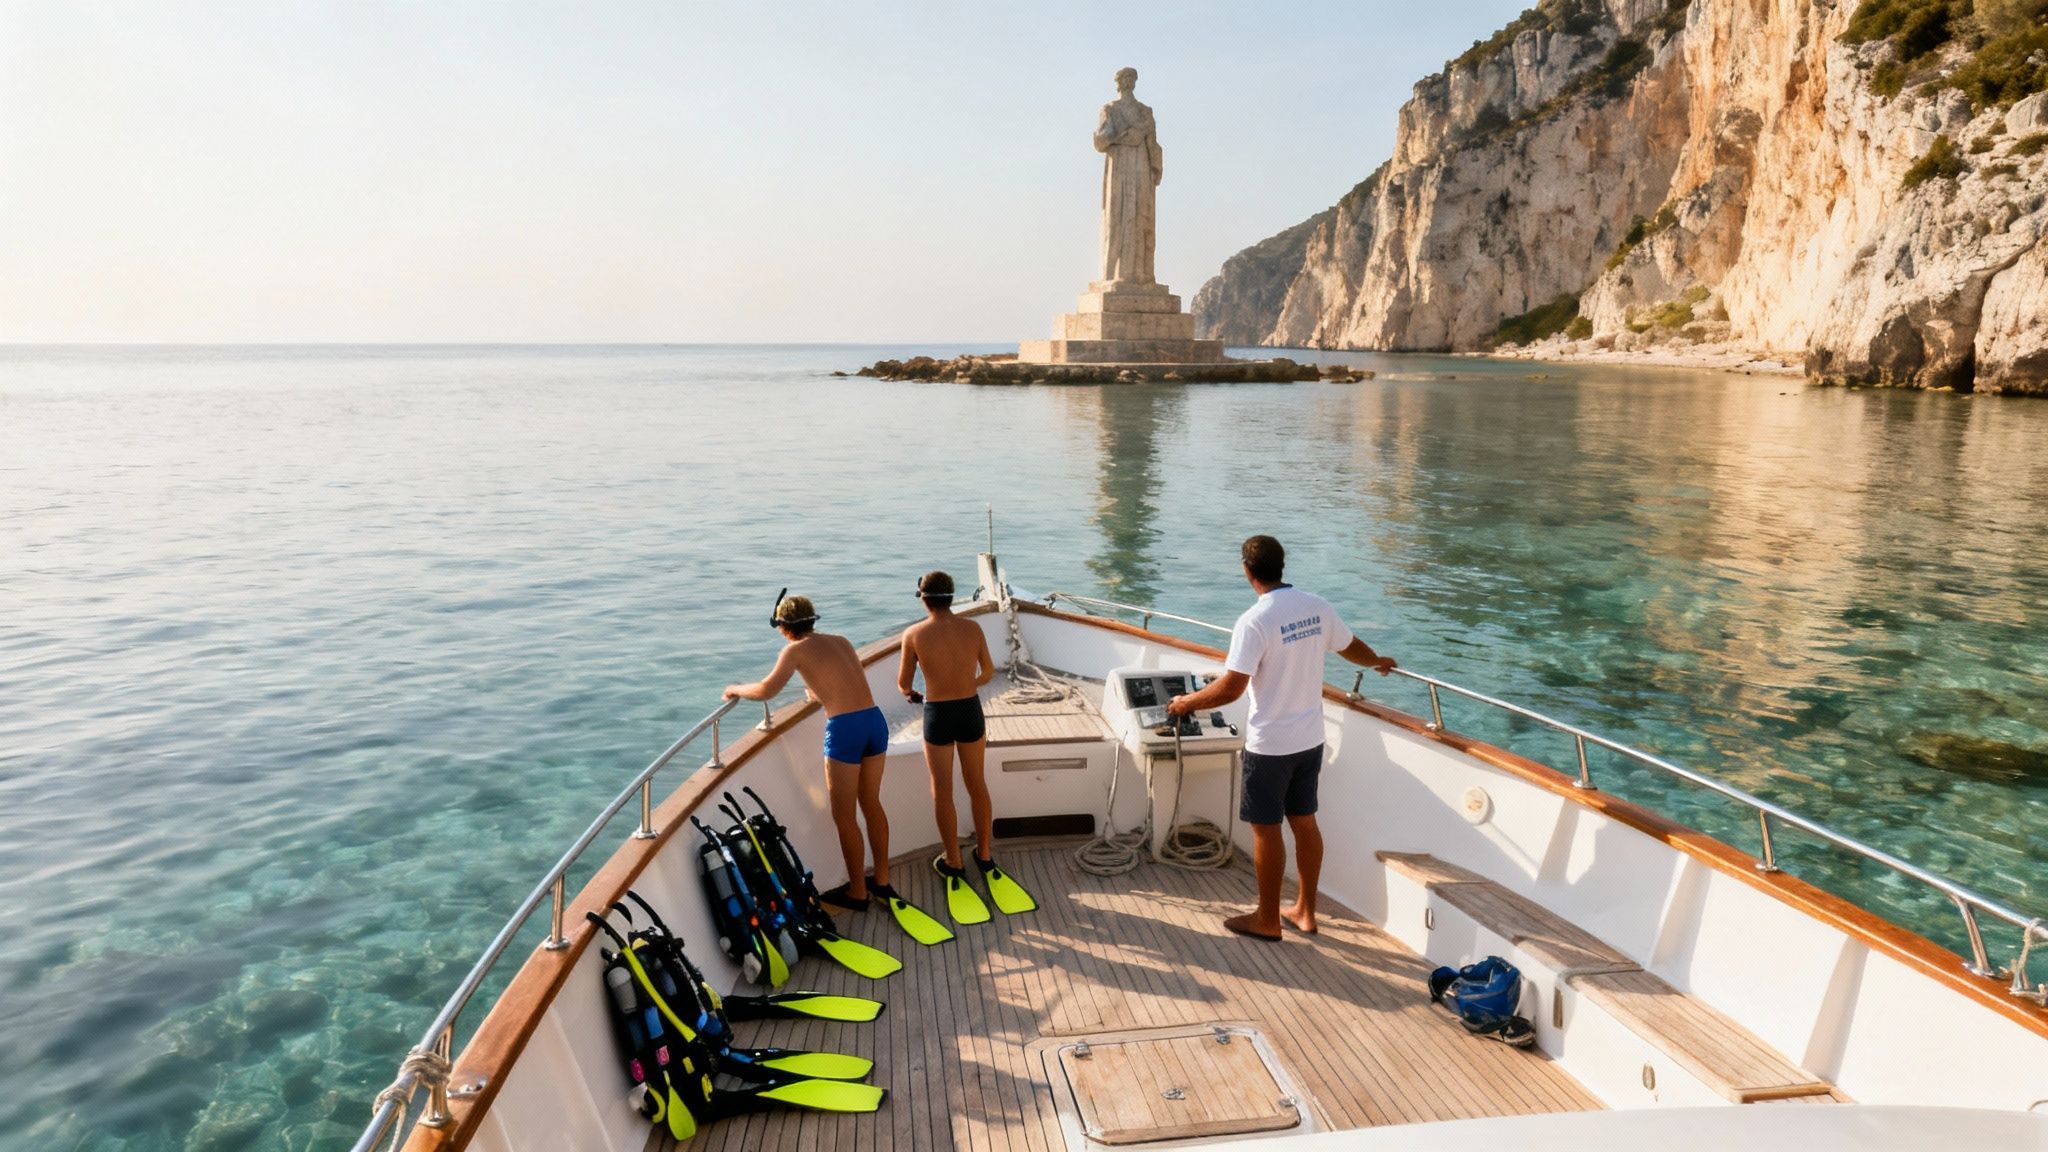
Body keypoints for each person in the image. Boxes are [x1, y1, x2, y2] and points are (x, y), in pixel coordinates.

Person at [1167, 536, 1396, 941]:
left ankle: (1267, 919)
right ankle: (1305, 911)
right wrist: (1378, 661)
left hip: (1271, 746)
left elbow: (1231, 688)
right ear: (1282, 565)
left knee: (1266, 829)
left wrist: (1186, 703)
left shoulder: (1254, 621)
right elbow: (1350, 647)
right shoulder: (1315, 606)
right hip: (1309, 739)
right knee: (1304, 822)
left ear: (1247, 571)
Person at [723, 593, 890, 910]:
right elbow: (839, 682)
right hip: (873, 720)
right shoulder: (841, 641)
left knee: (844, 816)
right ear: (812, 619)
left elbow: (767, 690)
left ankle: (858, 892)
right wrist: (816, 691)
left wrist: (736, 689)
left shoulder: (794, 650)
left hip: (846, 730)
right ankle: (882, 880)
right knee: (871, 803)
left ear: (784, 627)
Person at [896, 571, 999, 883]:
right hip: (969, 709)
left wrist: (911, 693)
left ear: (924, 600)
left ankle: (953, 860)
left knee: (942, 791)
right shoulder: (973, 628)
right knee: (977, 783)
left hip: (938, 714)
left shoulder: (913, 634)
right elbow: (988, 672)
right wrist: (967, 683)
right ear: (952, 597)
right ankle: (984, 854)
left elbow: (903, 684)